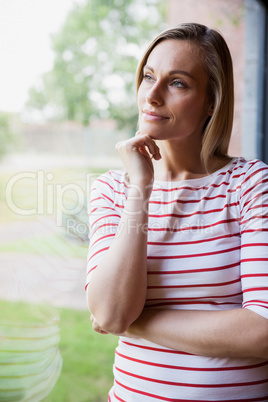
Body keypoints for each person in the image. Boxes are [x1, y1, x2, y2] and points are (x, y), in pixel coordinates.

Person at [86, 22, 268, 401]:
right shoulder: (111, 190)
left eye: (177, 83)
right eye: (148, 77)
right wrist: (140, 189)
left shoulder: (251, 184)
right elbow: (109, 311)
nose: (151, 95)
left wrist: (135, 325)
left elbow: (262, 331)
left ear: (211, 102)